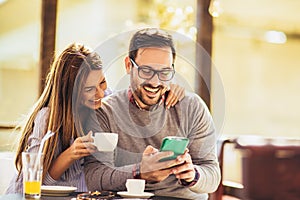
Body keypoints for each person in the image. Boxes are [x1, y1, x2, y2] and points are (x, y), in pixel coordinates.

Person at [6, 42, 184, 194]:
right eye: (89, 89)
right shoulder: (48, 118)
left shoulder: (106, 102)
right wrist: (71, 154)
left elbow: (134, 100)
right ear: (71, 91)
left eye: (102, 82)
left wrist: (167, 88)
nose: (100, 93)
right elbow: (35, 181)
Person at [84, 28, 221, 199]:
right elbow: (95, 177)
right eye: (146, 71)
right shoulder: (105, 112)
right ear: (128, 65)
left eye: (164, 72)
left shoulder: (192, 107)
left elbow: (213, 175)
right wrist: (140, 171)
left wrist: (192, 174)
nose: (155, 82)